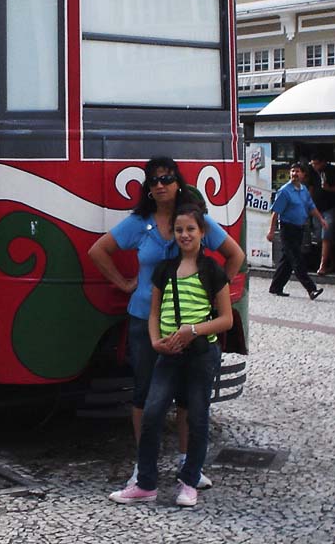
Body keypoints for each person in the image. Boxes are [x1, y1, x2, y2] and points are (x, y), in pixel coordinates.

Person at [89, 156, 244, 491]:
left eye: (167, 178)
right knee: (144, 394)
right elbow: (98, 251)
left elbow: (236, 255)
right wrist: (124, 283)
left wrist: (213, 291)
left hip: (190, 326)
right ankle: (143, 466)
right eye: (154, 180)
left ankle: (187, 463)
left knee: (188, 397)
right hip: (146, 321)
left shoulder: (192, 220)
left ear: (178, 182)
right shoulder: (138, 223)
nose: (160, 185)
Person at [108, 205, 233, 507]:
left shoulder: (212, 270)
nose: (184, 235)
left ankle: (189, 481)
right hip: (168, 354)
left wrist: (193, 330)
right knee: (152, 413)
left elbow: (226, 319)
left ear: (202, 233)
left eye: (191, 229)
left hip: (201, 354)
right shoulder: (164, 269)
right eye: (179, 230)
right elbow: (153, 314)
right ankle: (146, 483)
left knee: (198, 417)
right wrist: (155, 342)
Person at [267, 163, 326, 300]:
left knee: (287, 260)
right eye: (292, 171)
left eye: (297, 171)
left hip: (299, 229)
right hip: (287, 229)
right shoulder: (284, 191)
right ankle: (311, 289)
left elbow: (310, 206)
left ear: (303, 174)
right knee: (296, 260)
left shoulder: (304, 190)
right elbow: (275, 213)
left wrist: (321, 219)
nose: (294, 174)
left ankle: (275, 287)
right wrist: (271, 231)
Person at [308, 155, 335, 275]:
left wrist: (329, 189)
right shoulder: (313, 173)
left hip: (331, 207)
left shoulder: (333, 171)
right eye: (312, 164)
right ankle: (333, 262)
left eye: (316, 164)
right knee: (320, 237)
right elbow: (311, 189)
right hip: (317, 208)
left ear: (323, 162)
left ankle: (322, 265)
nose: (314, 167)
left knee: (326, 235)